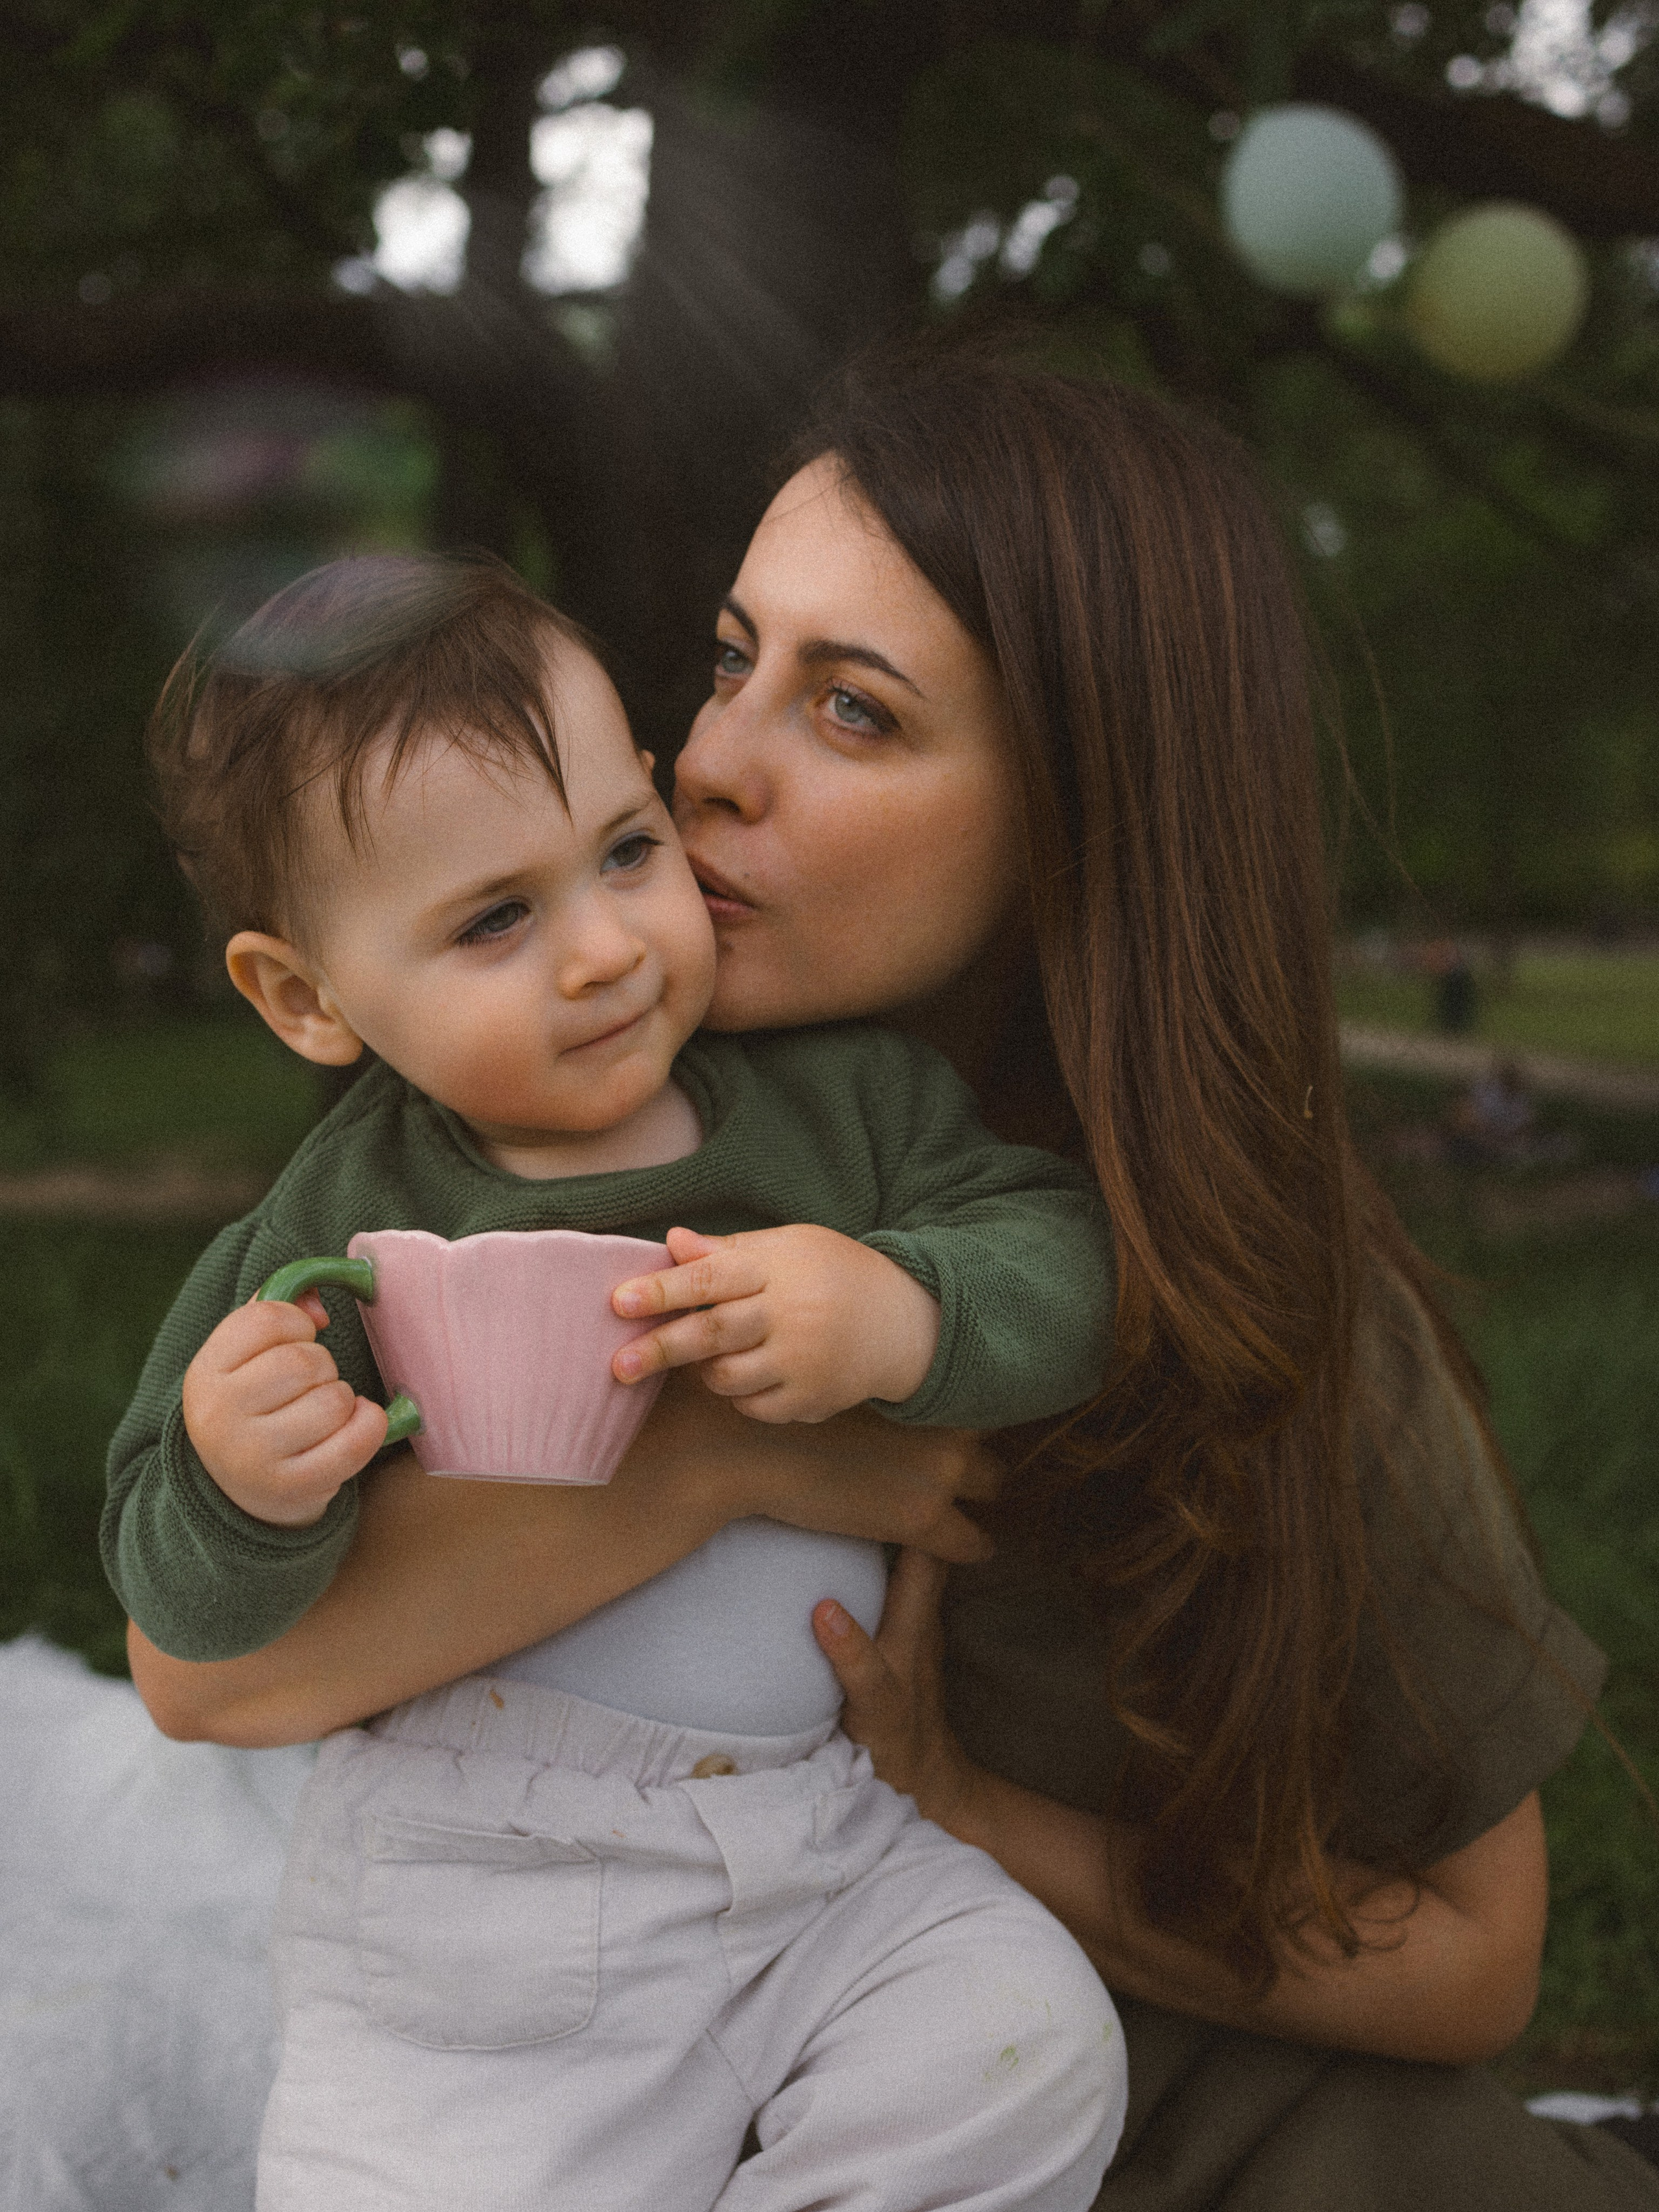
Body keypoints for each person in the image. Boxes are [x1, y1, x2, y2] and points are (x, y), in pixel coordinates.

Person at [130, 356, 1657, 2211]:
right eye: (724, 659)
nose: (707, 764)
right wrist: (720, 1466)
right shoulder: (468, 1155)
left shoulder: (1236, 1294)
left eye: (852, 711)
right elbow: (202, 1674)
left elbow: (1478, 1951)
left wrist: (969, 1806)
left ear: (1082, 814)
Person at [106, 552, 1125, 2211]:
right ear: (307, 998)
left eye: (627, 853)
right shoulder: (345, 1222)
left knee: (1015, 2039)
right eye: (497, 917)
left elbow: (1061, 1253)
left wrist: (902, 1311)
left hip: (821, 1841)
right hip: (483, 1878)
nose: (603, 949)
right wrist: (243, 1478)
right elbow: (186, 1609)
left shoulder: (836, 1110)